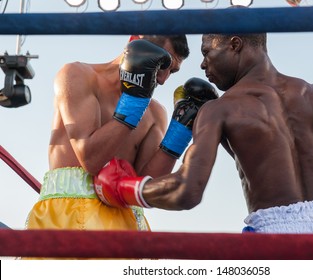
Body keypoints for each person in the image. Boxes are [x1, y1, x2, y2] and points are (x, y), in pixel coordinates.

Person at [94, 32, 313, 234]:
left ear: (234, 44)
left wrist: (123, 189)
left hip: (274, 241)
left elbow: (187, 192)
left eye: (207, 52)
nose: (203, 65)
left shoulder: (220, 109)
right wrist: (304, 161)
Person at [25, 35, 195, 232]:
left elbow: (148, 186)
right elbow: (91, 159)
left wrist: (179, 135)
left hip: (126, 223)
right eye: (163, 65)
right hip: (67, 216)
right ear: (136, 46)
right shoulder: (78, 75)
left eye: (172, 71)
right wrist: (133, 104)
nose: (163, 79)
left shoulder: (155, 112)